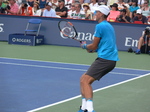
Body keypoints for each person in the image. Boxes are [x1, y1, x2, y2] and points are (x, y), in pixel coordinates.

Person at [78, 5, 119, 112]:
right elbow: (102, 45)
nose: (95, 14)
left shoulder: (100, 26)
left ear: (101, 14)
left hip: (106, 59)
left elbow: (94, 46)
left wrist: (85, 46)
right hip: (109, 59)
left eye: (96, 12)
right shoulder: (108, 26)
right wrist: (92, 49)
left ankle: (90, 110)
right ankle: (83, 108)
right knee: (83, 79)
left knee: (86, 81)